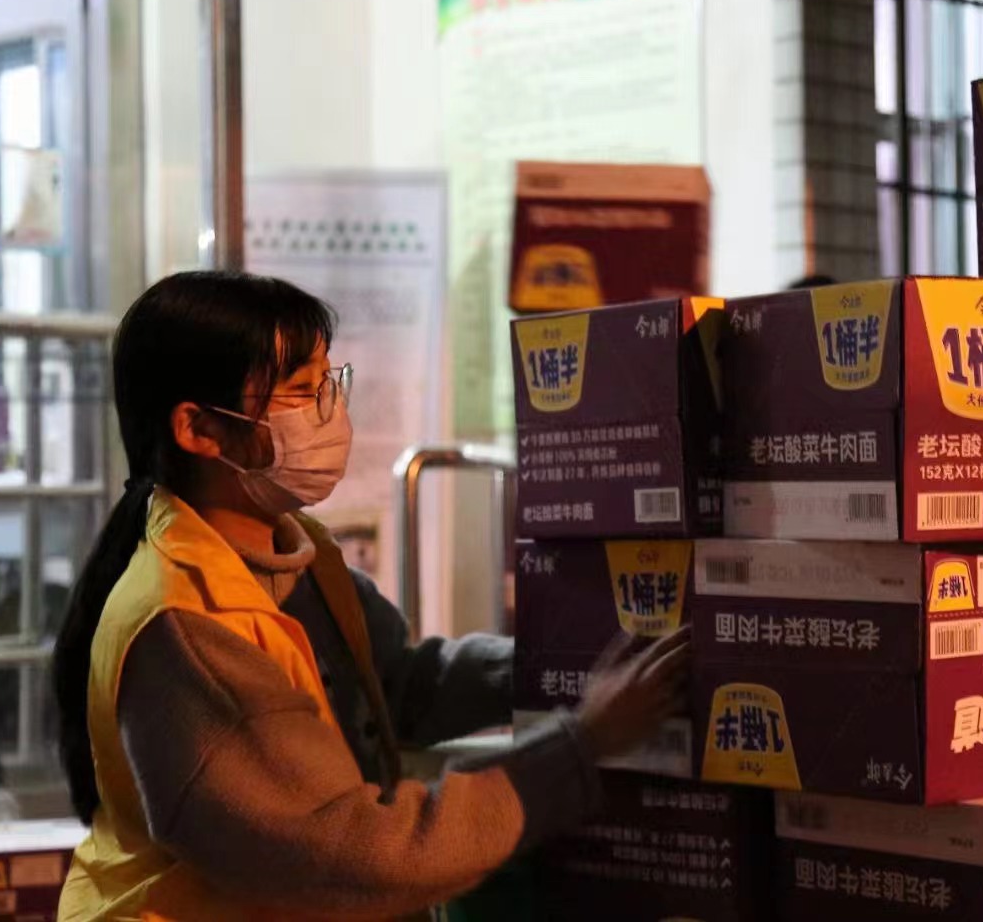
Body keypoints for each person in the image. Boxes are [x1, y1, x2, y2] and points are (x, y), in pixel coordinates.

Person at [52, 271, 687, 920]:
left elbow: (395, 689)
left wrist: (561, 665)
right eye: (302, 391)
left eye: (331, 382)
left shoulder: (299, 552)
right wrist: (583, 744)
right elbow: (353, 853)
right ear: (199, 429)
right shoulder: (185, 627)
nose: (329, 411)